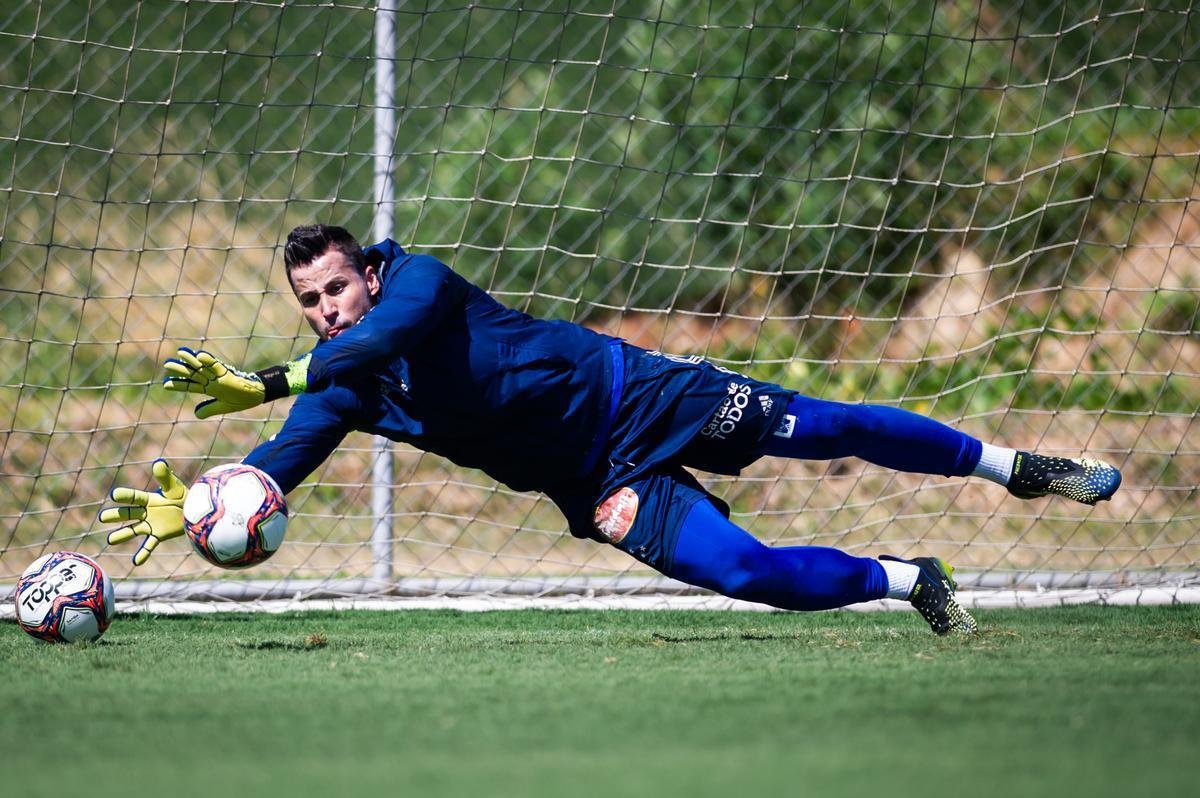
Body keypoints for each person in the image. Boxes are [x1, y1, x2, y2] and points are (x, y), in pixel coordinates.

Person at [99, 224, 1122, 635]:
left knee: (833, 427)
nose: (328, 308)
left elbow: (381, 338)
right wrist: (214, 494)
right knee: (748, 576)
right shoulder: (343, 386)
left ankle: (1016, 466)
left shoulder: (416, 286)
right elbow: (283, 458)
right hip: (598, 484)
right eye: (309, 301)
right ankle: (912, 579)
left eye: (335, 287)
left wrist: (278, 375)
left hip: (647, 397)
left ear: (364, 271)